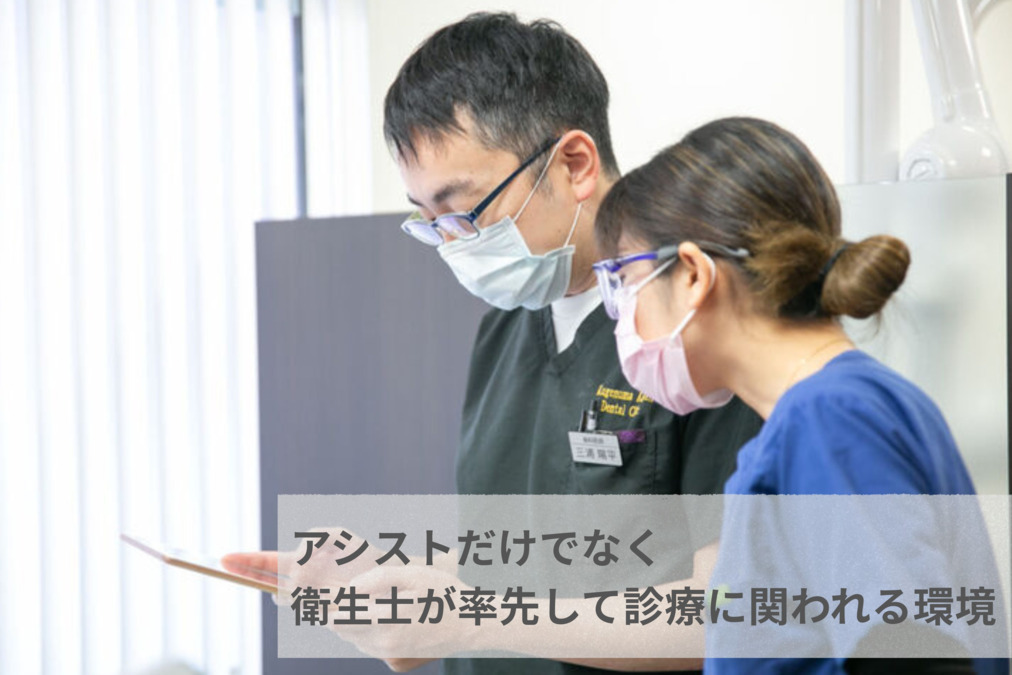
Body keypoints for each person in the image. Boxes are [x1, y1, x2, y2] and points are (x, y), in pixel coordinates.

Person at [226, 13, 762, 674]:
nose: (454, 244)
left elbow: (726, 614)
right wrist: (392, 579)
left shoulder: (692, 325)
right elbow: (521, 562)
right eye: (430, 221)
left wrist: (473, 618)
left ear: (574, 164)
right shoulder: (508, 325)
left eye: (464, 210)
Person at [591, 116, 1006, 674]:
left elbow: (911, 657)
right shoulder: (832, 413)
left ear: (692, 274)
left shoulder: (830, 421)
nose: (621, 316)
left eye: (624, 283)